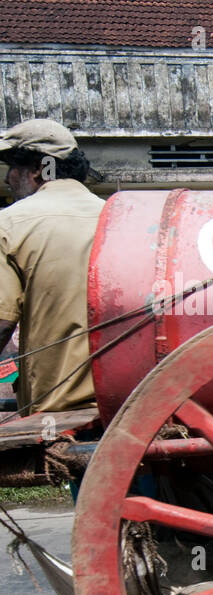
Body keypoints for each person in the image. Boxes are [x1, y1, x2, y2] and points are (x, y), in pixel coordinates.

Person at [0, 119, 105, 416]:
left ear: (38, 169)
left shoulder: (9, 224)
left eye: (12, 167)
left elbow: (2, 323)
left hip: (58, 409)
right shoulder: (117, 214)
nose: (8, 178)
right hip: (130, 401)